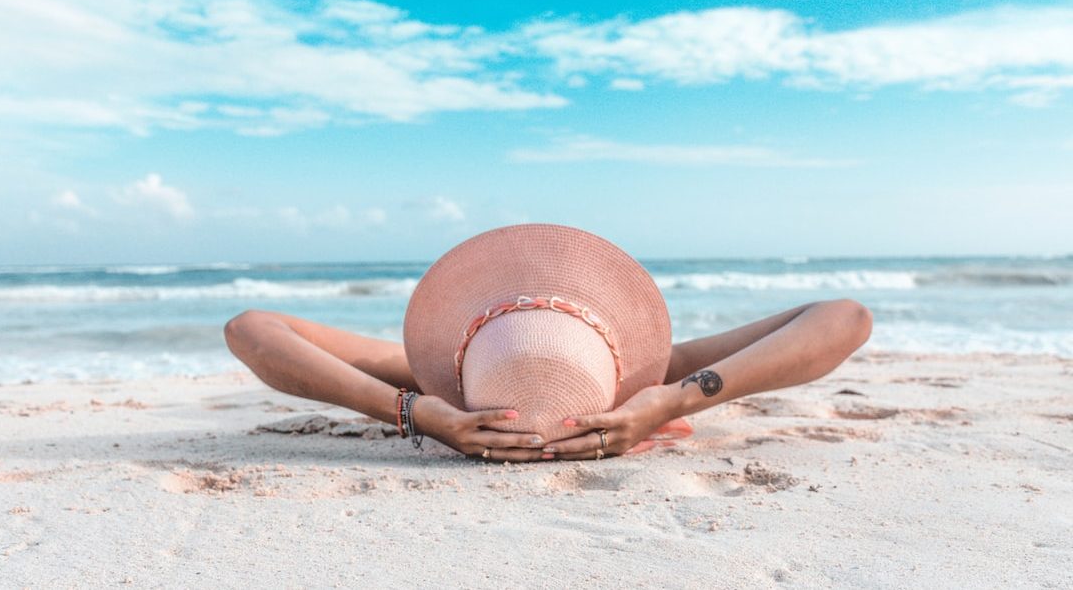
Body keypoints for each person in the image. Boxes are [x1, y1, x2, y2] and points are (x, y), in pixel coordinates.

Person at [224, 224, 872, 463]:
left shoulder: (438, 380)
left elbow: (250, 328)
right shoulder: (651, 374)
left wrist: (416, 410)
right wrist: (668, 400)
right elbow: (844, 316)